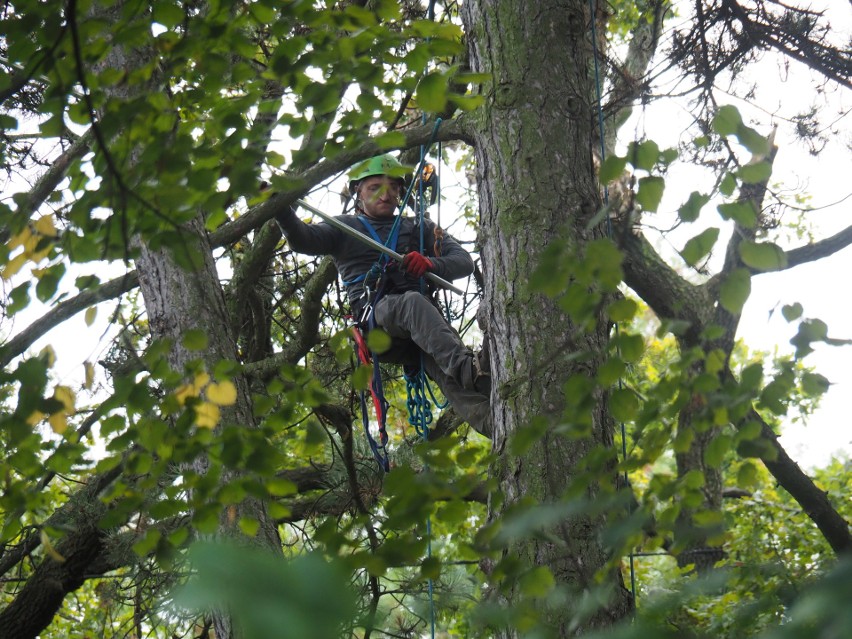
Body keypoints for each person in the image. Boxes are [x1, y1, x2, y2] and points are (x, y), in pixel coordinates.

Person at [275, 154, 490, 436]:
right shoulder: (343, 228)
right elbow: (303, 239)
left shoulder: (419, 228)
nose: (386, 194)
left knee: (450, 379)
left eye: (393, 187)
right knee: (413, 305)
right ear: (358, 192)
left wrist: (431, 264)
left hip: (422, 330)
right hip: (376, 324)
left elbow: (464, 261)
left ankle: (499, 425)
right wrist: (282, 210)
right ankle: (470, 371)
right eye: (375, 186)